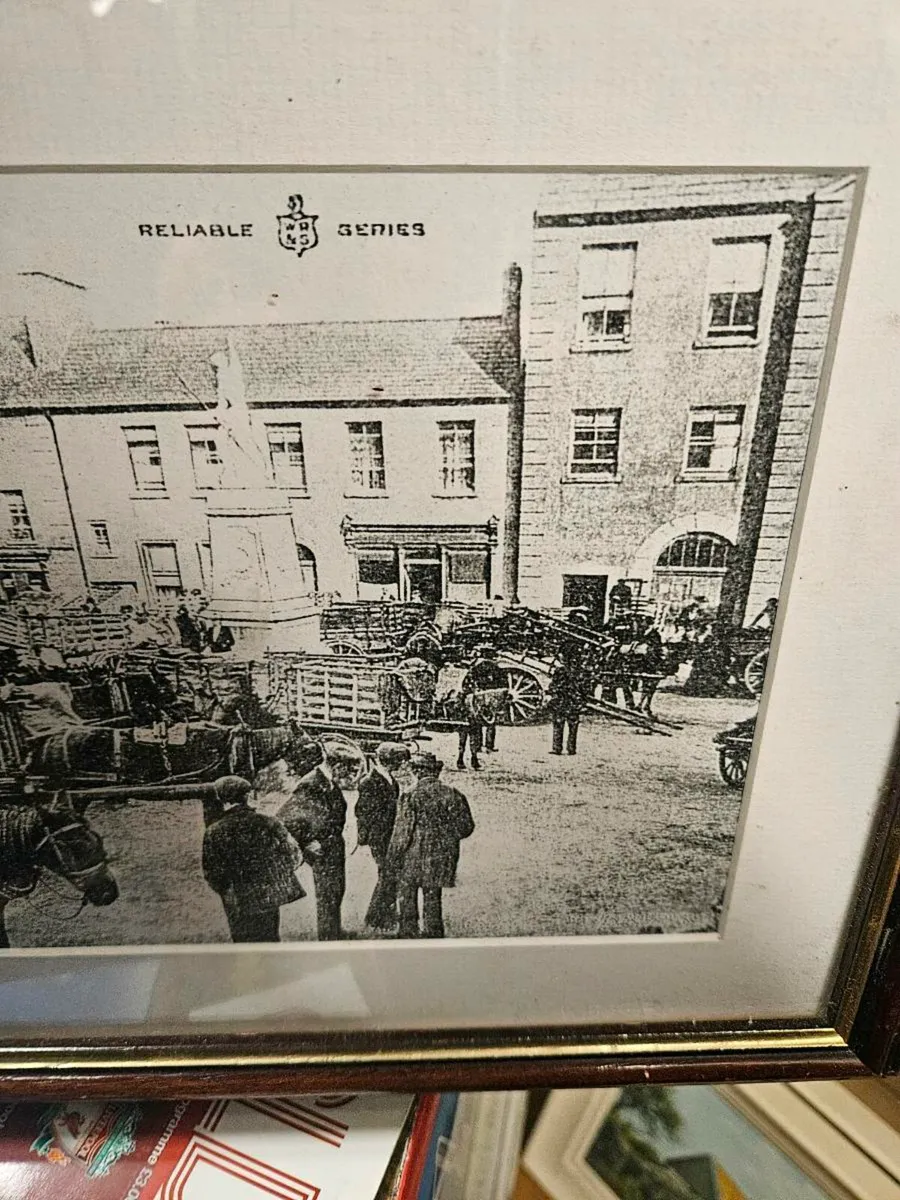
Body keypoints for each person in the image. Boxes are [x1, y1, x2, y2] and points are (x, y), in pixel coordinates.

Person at [201, 775, 306, 943]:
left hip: (235, 896)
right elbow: (294, 855)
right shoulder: (269, 822)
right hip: (267, 894)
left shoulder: (214, 831)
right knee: (270, 937)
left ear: (221, 798)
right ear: (247, 796)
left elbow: (211, 872)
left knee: (242, 942)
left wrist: (226, 890)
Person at [276, 744, 362, 940]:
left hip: (332, 847)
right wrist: (307, 842)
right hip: (322, 849)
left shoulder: (327, 781)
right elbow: (287, 818)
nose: (350, 775)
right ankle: (328, 936)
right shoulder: (311, 783)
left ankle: (334, 930)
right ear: (337, 765)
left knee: (336, 890)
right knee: (327, 893)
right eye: (348, 769)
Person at [387, 752, 474, 939]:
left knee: (407, 893)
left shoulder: (410, 795)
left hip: (413, 855)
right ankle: (433, 933)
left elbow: (402, 832)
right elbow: (466, 827)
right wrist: (447, 839)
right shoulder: (453, 793)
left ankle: (408, 932)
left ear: (417, 772)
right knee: (433, 895)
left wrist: (393, 857)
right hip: (441, 856)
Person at [355, 741, 411, 933]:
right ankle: (376, 917)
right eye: (401, 761)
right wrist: (367, 836)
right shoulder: (370, 781)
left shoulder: (389, 779)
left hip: (389, 835)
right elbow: (362, 812)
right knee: (388, 874)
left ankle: (384, 914)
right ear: (391, 761)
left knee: (389, 874)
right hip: (380, 837)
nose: (403, 765)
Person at [457, 643, 507, 769]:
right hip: (482, 702)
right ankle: (476, 756)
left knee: (465, 732)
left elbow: (466, 684)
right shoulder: (492, 666)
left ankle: (462, 758)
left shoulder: (475, 666)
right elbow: (502, 683)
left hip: (470, 701)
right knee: (480, 728)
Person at [548, 645, 590, 756]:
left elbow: (555, 686)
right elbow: (585, 687)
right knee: (573, 725)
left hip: (561, 700)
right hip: (574, 701)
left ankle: (557, 748)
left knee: (558, 724)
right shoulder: (579, 671)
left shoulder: (560, 670)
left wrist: (552, 692)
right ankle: (571, 748)